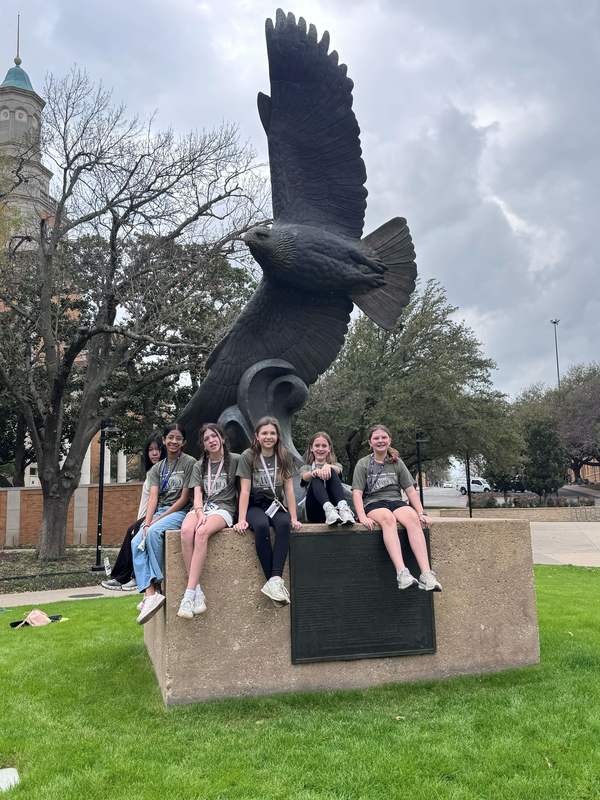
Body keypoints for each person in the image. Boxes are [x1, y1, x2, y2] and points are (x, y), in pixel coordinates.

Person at [352, 424, 442, 592]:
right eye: (376, 438)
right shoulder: (363, 464)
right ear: (370, 443)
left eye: (383, 437)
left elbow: (410, 491)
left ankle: (426, 575)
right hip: (373, 503)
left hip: (395, 501)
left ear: (389, 440)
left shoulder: (397, 462)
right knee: (388, 518)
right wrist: (362, 516)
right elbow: (357, 493)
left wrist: (421, 512)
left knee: (412, 518)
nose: (380, 441)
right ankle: (402, 573)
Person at [132, 423, 196, 624]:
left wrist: (157, 520)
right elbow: (152, 499)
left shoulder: (189, 463)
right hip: (159, 512)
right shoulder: (157, 469)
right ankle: (150, 593)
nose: (174, 441)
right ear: (164, 440)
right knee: (136, 541)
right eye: (170, 437)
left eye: (178, 438)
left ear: (183, 442)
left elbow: (184, 498)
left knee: (153, 533)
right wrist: (147, 522)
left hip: (180, 512)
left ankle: (158, 584)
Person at [234, 416, 301, 604]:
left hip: (276, 504)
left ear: (278, 436)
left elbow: (289, 489)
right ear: (257, 436)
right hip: (255, 505)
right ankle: (274, 580)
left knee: (284, 524)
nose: (268, 437)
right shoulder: (249, 456)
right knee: (261, 526)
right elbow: (245, 490)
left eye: (272, 433)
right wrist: (241, 519)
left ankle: (275, 580)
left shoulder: (284, 456)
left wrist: (294, 517)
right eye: (264, 433)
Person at [176, 424, 240, 620]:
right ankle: (198, 592)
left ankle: (187, 596)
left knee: (201, 532)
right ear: (203, 445)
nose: (211, 440)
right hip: (203, 507)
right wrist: (199, 511)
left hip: (224, 509)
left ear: (222, 438)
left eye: (214, 436)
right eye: (206, 439)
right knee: (186, 531)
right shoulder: (199, 464)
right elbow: (197, 494)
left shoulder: (235, 460)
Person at [101, 433, 165, 591]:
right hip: (145, 515)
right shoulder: (151, 472)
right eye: (151, 450)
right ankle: (123, 577)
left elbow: (157, 500)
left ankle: (128, 577)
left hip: (157, 515)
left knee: (134, 533)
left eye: (157, 449)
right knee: (132, 532)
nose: (154, 453)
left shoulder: (163, 471)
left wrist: (145, 521)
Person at [300, 431, 355, 525]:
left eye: (324, 446)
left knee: (331, 470)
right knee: (316, 475)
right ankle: (328, 508)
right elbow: (304, 477)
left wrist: (328, 466)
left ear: (329, 448)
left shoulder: (336, 466)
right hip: (314, 510)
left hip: (335, 510)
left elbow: (338, 470)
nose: (320, 449)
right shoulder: (306, 468)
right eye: (317, 445)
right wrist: (315, 472)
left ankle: (343, 509)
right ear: (311, 448)